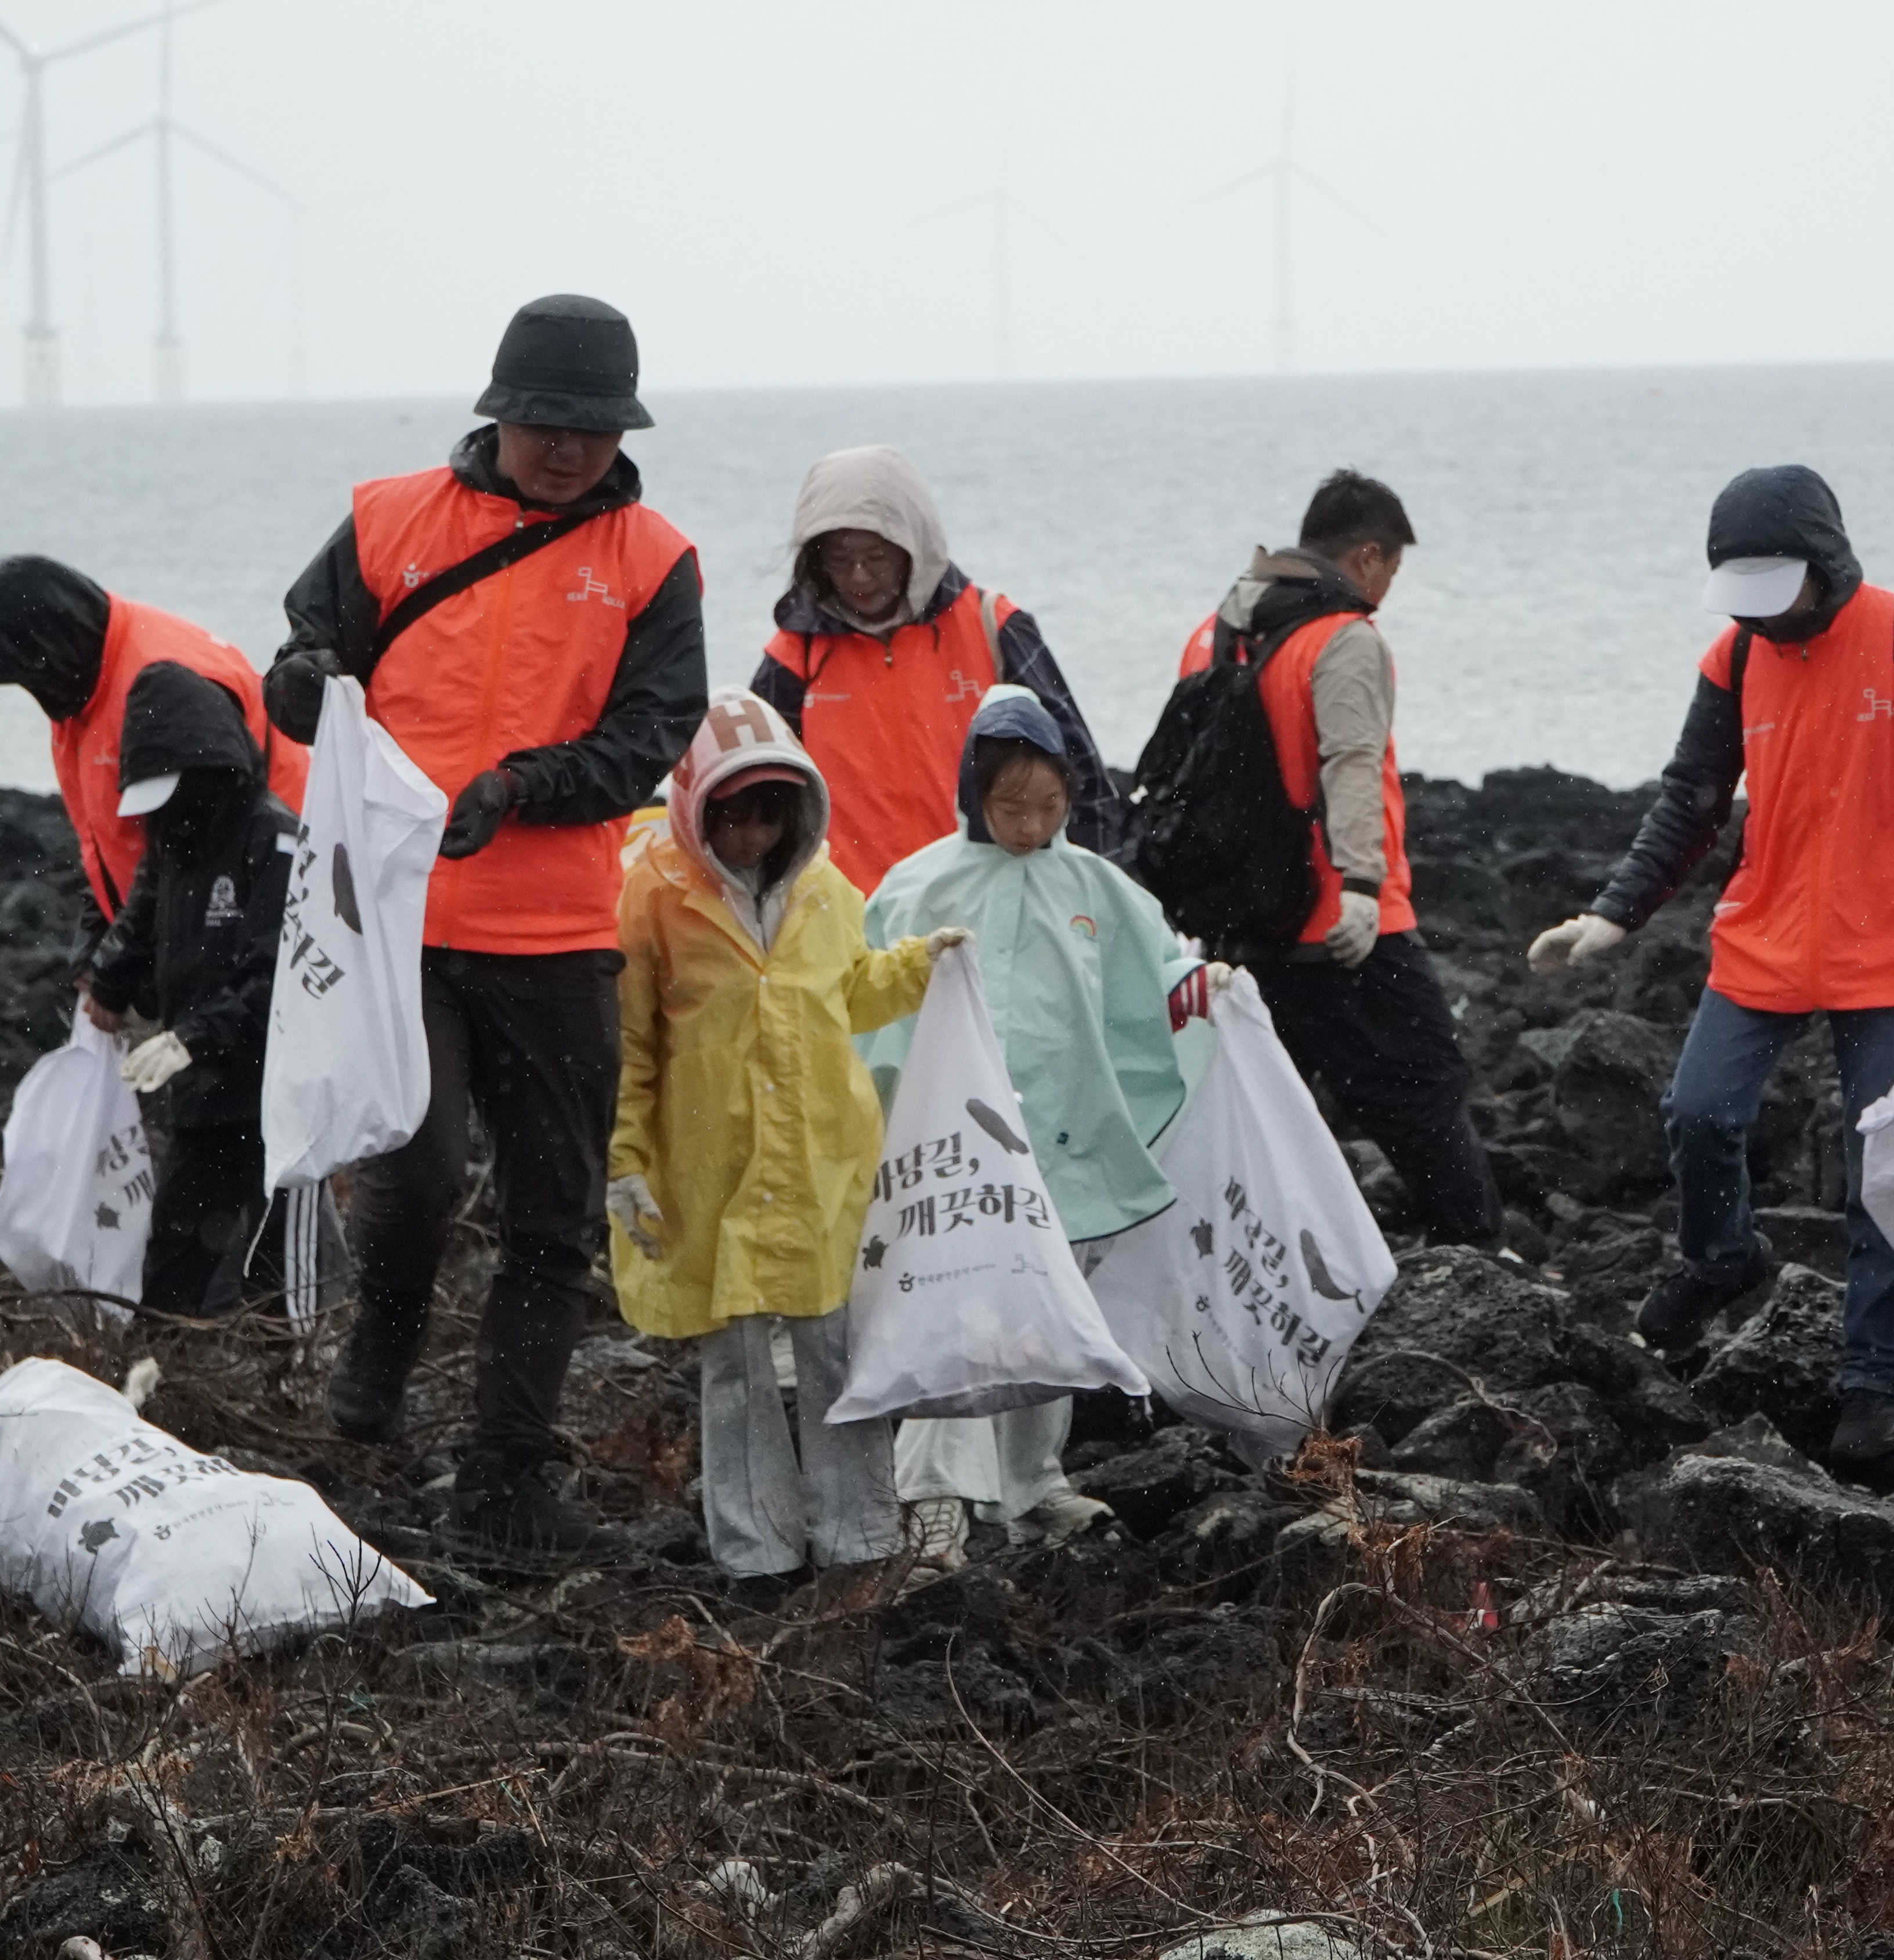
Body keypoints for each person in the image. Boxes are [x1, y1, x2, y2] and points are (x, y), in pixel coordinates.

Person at [258, 293, 707, 1559]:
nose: (566, 448)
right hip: (394, 923)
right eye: (544, 422)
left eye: (591, 428)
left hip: (558, 932)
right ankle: (379, 1358)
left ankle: (508, 1471)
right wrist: (300, 684)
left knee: (553, 1218)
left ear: (623, 430)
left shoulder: (654, 560)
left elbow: (650, 738)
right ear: (498, 413)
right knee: (415, 1167)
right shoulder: (386, 520)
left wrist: (521, 789)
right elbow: (301, 668)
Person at [1525, 466, 1894, 1464]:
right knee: (1701, 1112)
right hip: (1769, 934)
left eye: (1777, 590)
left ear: (1827, 565)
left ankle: (1878, 1386)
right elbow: (1692, 797)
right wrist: (1613, 915)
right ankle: (1722, 1259)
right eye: (1743, 595)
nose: (1761, 615)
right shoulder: (1734, 656)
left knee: (1885, 1171)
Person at [608, 690, 964, 1581]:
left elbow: (851, 995)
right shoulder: (652, 899)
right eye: (732, 816)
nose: (752, 837)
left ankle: (861, 1540)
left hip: (820, 1162)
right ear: (696, 809)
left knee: (835, 1349)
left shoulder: (827, 892)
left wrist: (923, 966)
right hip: (710, 1169)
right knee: (734, 1365)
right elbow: (632, 1045)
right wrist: (626, 1161)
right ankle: (755, 1552)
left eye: (770, 815)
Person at [863, 685, 1210, 1566]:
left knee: (1048, 1309)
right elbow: (866, 999)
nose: (1030, 825)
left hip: (1066, 1133)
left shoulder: (1096, 886)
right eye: (1011, 806)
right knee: (957, 1304)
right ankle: (933, 1499)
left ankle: (1032, 1483)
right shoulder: (922, 884)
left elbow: (1159, 972)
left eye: (1049, 806)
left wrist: (1211, 992)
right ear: (973, 793)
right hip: (955, 1142)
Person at [1181, 469, 1503, 1249]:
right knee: (1425, 1087)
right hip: (1345, 921)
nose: (1389, 587)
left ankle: (1274, 1262)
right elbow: (1352, 763)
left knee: (1271, 1108)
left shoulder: (1215, 633)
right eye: (1393, 567)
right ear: (1366, 556)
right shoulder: (1344, 637)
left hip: (1242, 926)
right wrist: (1361, 884)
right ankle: (1476, 1256)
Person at [747, 445, 1119, 890]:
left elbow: (1081, 774)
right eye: (839, 560)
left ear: (914, 546)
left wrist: (1099, 896)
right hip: (849, 912)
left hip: (987, 900)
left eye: (876, 557)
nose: (859, 576)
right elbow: (755, 797)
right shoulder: (797, 653)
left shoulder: (995, 628)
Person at [0, 554, 310, 947]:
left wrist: (113, 968)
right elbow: (107, 843)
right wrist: (95, 949)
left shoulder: (163, 691)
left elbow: (188, 862)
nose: (34, 690)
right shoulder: (82, 685)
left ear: (50, 647)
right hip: (193, 924)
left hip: (269, 916)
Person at [81, 664, 301, 1316]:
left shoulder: (274, 839)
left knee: (274, 1267)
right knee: (175, 1253)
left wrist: (194, 1038)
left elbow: (279, 976)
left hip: (270, 1098)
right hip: (202, 1094)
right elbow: (142, 914)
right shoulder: (175, 840)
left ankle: (284, 1366)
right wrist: (108, 981)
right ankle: (164, 1361)